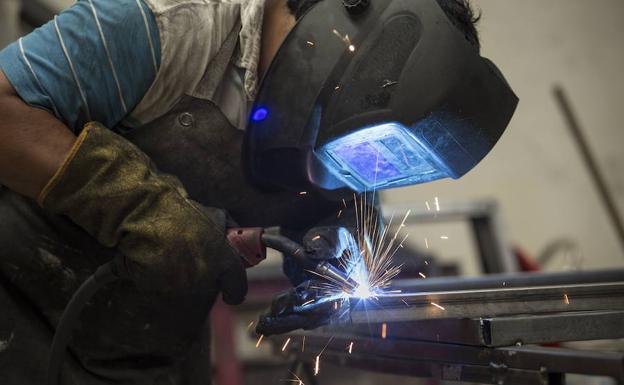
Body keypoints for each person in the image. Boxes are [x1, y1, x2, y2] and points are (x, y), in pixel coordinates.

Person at [0, 0, 485, 383]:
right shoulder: (166, 24)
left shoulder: (353, 103)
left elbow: (350, 205)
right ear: (330, 36)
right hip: (17, 309)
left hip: (154, 347)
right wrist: (141, 209)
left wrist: (341, 247)